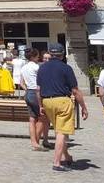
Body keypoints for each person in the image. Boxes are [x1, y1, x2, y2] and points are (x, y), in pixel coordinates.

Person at [36, 43, 89, 172]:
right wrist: (83, 107)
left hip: (47, 101)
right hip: (62, 101)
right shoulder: (66, 68)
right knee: (61, 132)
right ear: (62, 55)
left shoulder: (41, 68)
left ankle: (67, 156)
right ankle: (57, 162)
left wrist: (40, 105)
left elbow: (38, 90)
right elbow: (75, 91)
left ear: (49, 53)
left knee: (59, 130)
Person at [20, 48, 51, 151]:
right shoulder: (37, 67)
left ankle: (34, 141)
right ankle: (37, 142)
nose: (39, 58)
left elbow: (22, 82)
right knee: (43, 117)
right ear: (33, 57)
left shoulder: (24, 68)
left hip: (28, 92)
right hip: (36, 93)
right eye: (37, 56)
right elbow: (42, 82)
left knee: (32, 119)